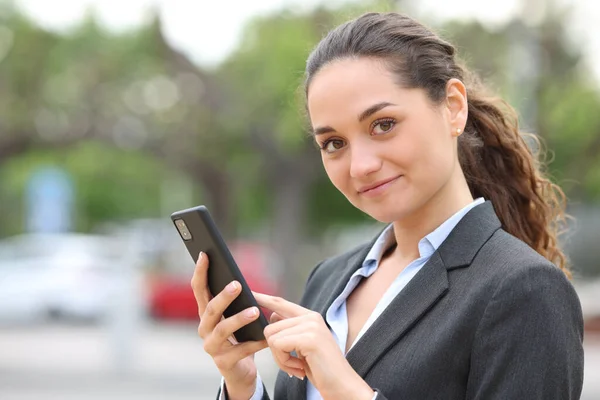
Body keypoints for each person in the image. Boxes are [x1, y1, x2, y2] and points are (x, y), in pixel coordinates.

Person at [191, 12, 584, 400]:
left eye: (383, 125)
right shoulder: (329, 280)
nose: (361, 166)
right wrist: (242, 385)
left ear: (453, 107)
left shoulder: (524, 289)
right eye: (334, 144)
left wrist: (347, 391)